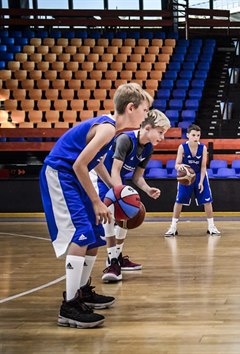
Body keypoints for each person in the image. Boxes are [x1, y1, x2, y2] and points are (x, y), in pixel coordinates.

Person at [39, 83, 151, 328]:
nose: (146, 115)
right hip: (60, 173)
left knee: (95, 236)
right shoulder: (108, 130)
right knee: (81, 234)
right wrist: (96, 200)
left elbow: (96, 164)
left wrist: (116, 191)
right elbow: (79, 165)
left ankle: (82, 292)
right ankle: (69, 306)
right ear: (131, 108)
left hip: (72, 175)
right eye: (145, 109)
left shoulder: (112, 132)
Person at [97, 109, 171, 283]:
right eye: (160, 132)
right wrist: (120, 195)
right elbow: (114, 170)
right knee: (112, 214)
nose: (162, 137)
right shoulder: (125, 139)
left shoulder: (149, 148)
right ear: (147, 127)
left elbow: (137, 177)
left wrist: (147, 189)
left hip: (118, 180)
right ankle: (112, 261)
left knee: (126, 215)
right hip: (101, 177)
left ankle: (117, 257)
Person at [164, 124, 220, 236]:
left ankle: (211, 226)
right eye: (193, 135)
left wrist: (201, 181)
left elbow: (203, 167)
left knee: (207, 201)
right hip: (186, 176)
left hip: (199, 175)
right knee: (179, 201)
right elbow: (176, 164)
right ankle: (173, 227)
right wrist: (180, 167)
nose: (196, 137)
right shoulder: (182, 147)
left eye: (198, 135)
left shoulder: (203, 148)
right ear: (188, 135)